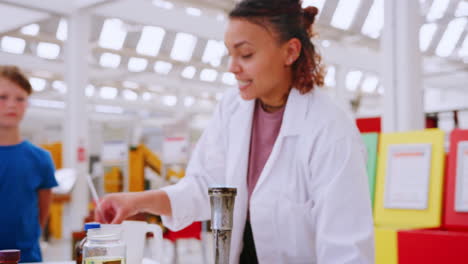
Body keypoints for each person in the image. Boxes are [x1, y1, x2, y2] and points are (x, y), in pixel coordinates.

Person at [95, 0, 374, 263]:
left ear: (290, 51)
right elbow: (205, 186)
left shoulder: (330, 129)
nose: (232, 68)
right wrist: (136, 201)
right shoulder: (233, 108)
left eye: (246, 54)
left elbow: (346, 251)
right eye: (230, 54)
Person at [0, 66, 58, 262]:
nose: (11, 105)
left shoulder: (40, 159)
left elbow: (41, 217)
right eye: (2, 97)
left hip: (27, 258)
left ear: (27, 104)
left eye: (20, 99)